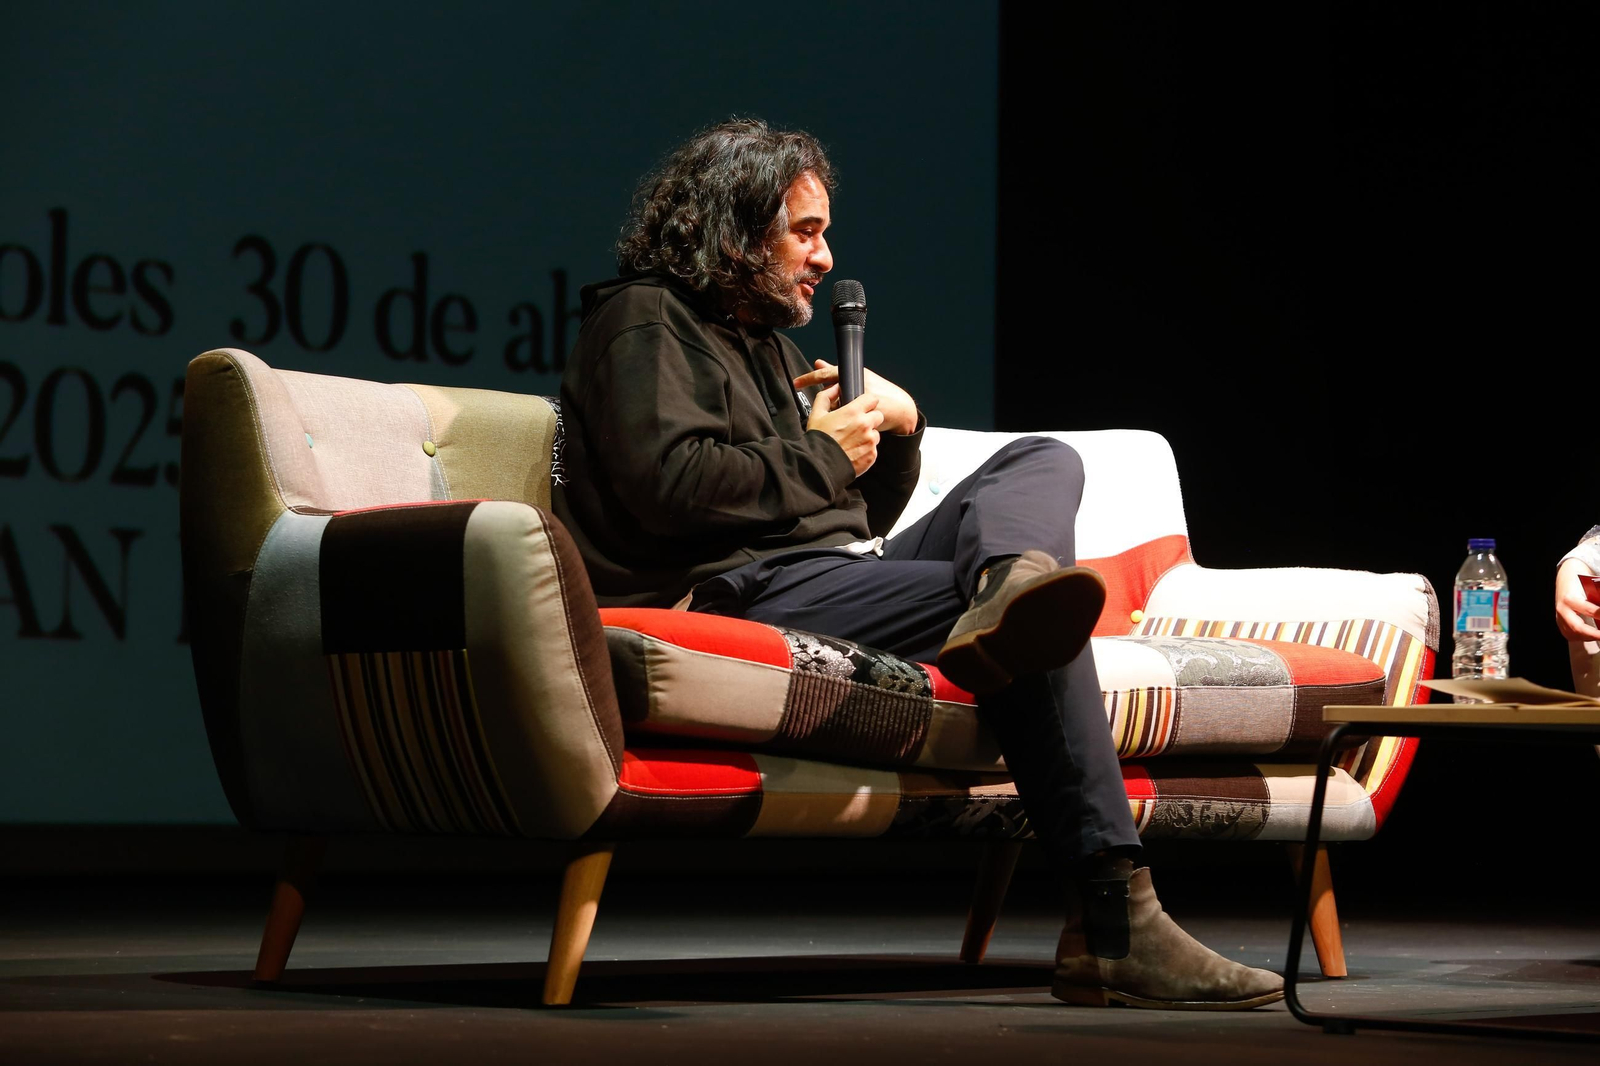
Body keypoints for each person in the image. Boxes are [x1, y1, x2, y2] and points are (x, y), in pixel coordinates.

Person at [552, 117, 1282, 1010]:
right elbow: (668, 484)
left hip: (808, 571)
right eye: (805, 232)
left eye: (824, 234)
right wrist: (823, 450)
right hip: (730, 590)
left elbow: (838, 515)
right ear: (735, 231)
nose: (824, 257)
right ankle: (1114, 924)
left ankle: (1008, 584)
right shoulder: (644, 319)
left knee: (1043, 458)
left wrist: (898, 435)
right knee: (1036, 621)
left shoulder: (768, 349)